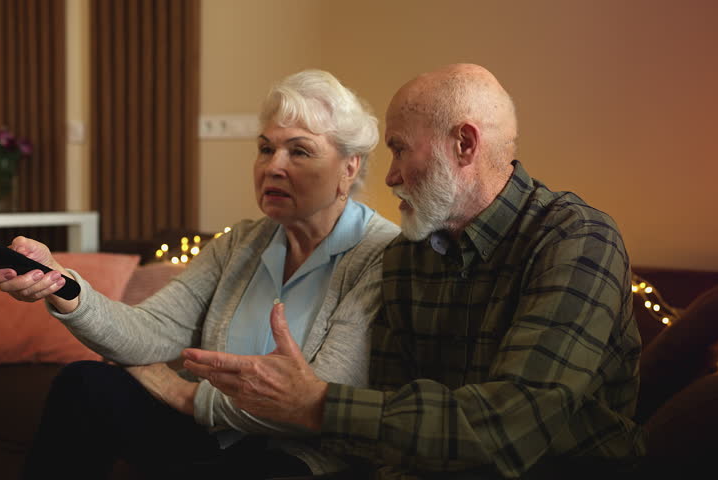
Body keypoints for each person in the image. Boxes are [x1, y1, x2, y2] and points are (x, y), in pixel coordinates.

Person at [182, 63, 646, 479]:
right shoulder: (408, 255)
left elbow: (510, 425)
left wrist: (316, 402)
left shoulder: (577, 239)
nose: (389, 176)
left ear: (464, 144)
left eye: (399, 150)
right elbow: (387, 430)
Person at [0, 69, 400, 479]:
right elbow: (150, 328)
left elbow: (322, 402)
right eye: (265, 148)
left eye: (300, 151)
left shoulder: (379, 255)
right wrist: (61, 283)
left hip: (299, 456)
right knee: (85, 385)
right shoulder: (242, 242)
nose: (273, 166)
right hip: (212, 437)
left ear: (349, 167)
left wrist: (185, 395)